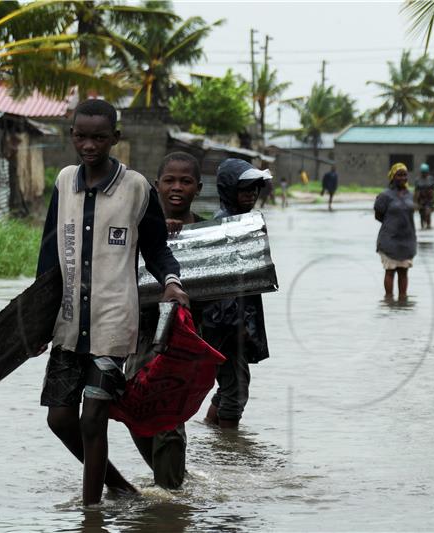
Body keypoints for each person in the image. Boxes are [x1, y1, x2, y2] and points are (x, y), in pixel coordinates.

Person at [36, 99, 190, 505]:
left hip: (113, 323)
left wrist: (171, 282)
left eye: (99, 137)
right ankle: (119, 487)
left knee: (92, 421)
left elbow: (157, 249)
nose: (89, 145)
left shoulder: (137, 188)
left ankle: (92, 513)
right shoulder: (64, 180)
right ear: (71, 135)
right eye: (81, 136)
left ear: (114, 139)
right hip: (68, 322)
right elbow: (49, 253)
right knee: (60, 418)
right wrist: (35, 320)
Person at [128, 151, 205, 489]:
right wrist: (159, 229)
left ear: (198, 188)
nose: (177, 188)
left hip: (184, 336)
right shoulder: (139, 225)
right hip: (139, 331)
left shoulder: (208, 231)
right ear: (156, 185)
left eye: (185, 181)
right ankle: (172, 479)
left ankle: (170, 494)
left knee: (169, 414)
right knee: (133, 406)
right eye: (169, 181)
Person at [202, 158, 272, 429]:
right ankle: (229, 451)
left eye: (255, 189)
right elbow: (223, 282)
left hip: (234, 318)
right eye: (245, 189)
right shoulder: (225, 226)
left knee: (231, 380)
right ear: (229, 190)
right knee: (237, 388)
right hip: (227, 322)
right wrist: (238, 323)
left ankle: (210, 430)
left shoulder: (243, 221)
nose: (251, 194)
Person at [374, 163, 417, 299]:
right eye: (399, 175)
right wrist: (392, 224)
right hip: (389, 240)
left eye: (405, 175)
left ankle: (403, 300)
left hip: (406, 240)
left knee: (404, 271)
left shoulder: (410, 195)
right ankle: (389, 300)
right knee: (390, 271)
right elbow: (378, 215)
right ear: (392, 177)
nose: (403, 178)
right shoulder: (385, 196)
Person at [413, 163, 434, 229]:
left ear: (428, 172)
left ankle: (428, 225)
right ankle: (422, 225)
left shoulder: (431, 179)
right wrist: (415, 202)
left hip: (429, 199)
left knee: (428, 212)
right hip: (421, 199)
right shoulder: (418, 180)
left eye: (425, 172)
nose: (424, 174)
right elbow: (416, 191)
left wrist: (433, 199)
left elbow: (433, 190)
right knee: (422, 213)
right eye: (423, 172)